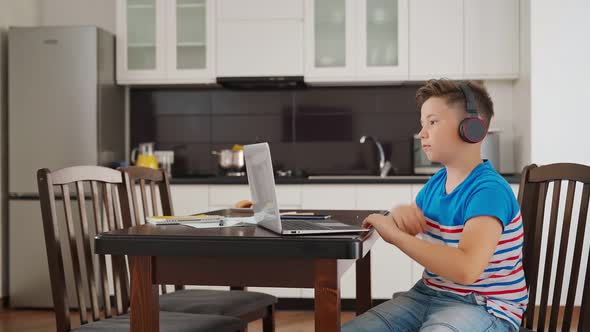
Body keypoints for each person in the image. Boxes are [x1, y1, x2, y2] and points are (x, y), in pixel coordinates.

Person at [343, 79, 527, 332]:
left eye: (432, 122)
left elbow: (466, 270)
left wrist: (395, 236)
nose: (422, 134)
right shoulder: (436, 183)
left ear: (472, 128)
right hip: (427, 294)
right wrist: (400, 215)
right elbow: (409, 226)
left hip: (484, 306)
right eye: (423, 124)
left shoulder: (489, 191)